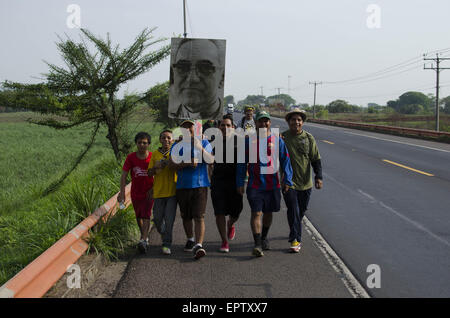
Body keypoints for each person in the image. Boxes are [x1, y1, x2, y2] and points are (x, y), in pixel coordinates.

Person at [237, 111, 293, 257]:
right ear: (256, 123)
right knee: (256, 212)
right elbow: (242, 163)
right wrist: (240, 182)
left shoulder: (277, 140)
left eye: (266, 121)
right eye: (260, 121)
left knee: (268, 212)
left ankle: (264, 237)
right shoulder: (249, 141)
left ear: (270, 123)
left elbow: (285, 160)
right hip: (255, 185)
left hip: (272, 185)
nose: (263, 124)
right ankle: (257, 244)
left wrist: (287, 179)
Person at [169, 119, 214, 260]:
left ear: (196, 128)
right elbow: (171, 165)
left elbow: (211, 160)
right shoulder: (177, 145)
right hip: (183, 185)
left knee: (199, 216)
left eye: (190, 126)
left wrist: (199, 147)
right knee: (186, 215)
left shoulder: (204, 142)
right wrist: (186, 163)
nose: (188, 129)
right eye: (184, 127)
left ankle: (199, 245)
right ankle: (190, 238)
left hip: (200, 185)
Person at [281, 109, 323, 253]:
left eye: (299, 120)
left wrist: (319, 177)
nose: (296, 122)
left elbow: (315, 159)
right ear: (288, 122)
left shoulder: (309, 138)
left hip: (306, 183)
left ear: (302, 122)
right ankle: (295, 239)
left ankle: (295, 228)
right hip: (288, 182)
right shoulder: (282, 137)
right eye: (293, 120)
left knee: (301, 210)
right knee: (293, 210)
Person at [169, 38, 225, 120]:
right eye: (182, 67)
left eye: (205, 68)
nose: (192, 79)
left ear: (222, 78)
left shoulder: (224, 122)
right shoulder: (171, 117)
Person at [210, 114, 243, 253]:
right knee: (219, 212)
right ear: (218, 127)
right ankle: (224, 241)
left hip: (234, 182)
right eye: (222, 125)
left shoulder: (239, 141)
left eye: (228, 125)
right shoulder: (212, 141)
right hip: (218, 181)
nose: (225, 127)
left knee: (236, 212)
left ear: (233, 128)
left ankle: (231, 224)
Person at [118, 132, 154, 254]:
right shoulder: (131, 158)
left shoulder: (153, 157)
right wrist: (122, 193)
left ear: (149, 144)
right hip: (135, 192)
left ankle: (143, 240)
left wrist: (153, 189)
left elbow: (159, 175)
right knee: (138, 216)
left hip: (149, 192)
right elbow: (123, 176)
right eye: (139, 142)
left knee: (146, 215)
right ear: (136, 143)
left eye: (145, 143)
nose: (142, 145)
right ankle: (144, 236)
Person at [148, 130, 177, 255]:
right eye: (163, 138)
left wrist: (169, 162)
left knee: (169, 220)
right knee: (158, 219)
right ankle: (164, 233)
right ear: (160, 140)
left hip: (172, 192)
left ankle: (166, 244)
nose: (166, 140)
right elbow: (149, 173)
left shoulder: (175, 152)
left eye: (169, 138)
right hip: (158, 192)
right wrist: (155, 167)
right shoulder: (154, 154)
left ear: (172, 140)